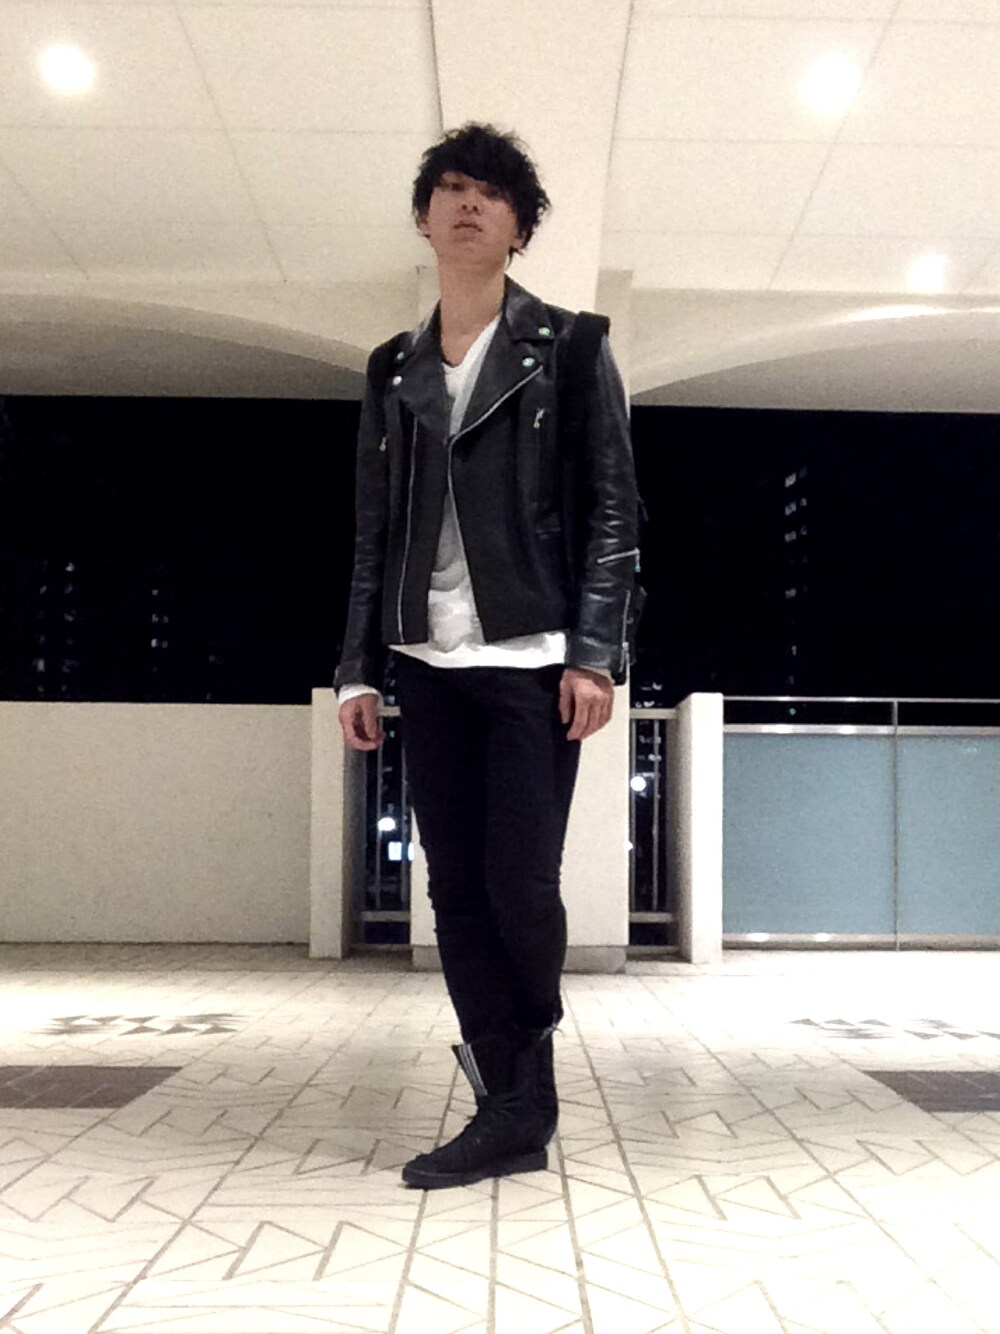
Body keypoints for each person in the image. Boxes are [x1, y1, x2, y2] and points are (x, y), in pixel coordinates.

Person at [334, 122, 641, 1190]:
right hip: (426, 661)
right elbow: (374, 529)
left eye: (491, 192)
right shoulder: (394, 367)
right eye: (452, 188)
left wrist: (594, 652)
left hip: (531, 654)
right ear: (425, 219)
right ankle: (511, 1105)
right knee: (455, 891)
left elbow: (614, 510)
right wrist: (358, 665)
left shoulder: (573, 346)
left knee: (519, 883)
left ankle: (520, 1087)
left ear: (518, 227)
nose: (468, 203)